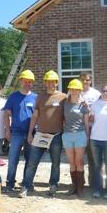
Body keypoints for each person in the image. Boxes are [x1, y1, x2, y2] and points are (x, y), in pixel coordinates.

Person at [21, 70, 66, 198]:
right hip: (40, 135)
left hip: (56, 136)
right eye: (48, 81)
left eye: (53, 82)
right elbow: (35, 115)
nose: (51, 84)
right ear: (45, 83)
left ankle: (53, 185)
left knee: (55, 162)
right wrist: (30, 133)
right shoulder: (40, 97)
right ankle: (26, 186)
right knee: (32, 162)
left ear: (57, 83)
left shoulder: (63, 97)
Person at [2, 70, 37, 193]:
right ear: (20, 81)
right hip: (16, 133)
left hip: (31, 134)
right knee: (13, 159)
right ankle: (10, 184)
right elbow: (6, 114)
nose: (28, 83)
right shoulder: (13, 97)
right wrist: (7, 131)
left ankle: (27, 184)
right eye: (25, 81)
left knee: (30, 159)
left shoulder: (35, 98)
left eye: (30, 81)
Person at [89, 84, 107, 199]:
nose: (105, 93)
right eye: (104, 91)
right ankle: (97, 189)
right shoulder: (95, 104)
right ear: (100, 92)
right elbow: (91, 119)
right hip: (95, 138)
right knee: (97, 166)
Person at [62, 79, 90, 198]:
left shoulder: (83, 104)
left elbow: (86, 121)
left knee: (79, 161)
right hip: (67, 135)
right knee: (71, 162)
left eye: (76, 89)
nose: (74, 91)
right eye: (72, 89)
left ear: (80, 91)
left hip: (80, 134)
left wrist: (87, 136)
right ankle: (74, 186)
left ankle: (80, 188)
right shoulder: (65, 103)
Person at [78, 72, 101, 186]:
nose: (85, 82)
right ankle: (79, 182)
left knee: (92, 157)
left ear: (90, 81)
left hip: (92, 129)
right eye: (82, 79)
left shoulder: (96, 93)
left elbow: (101, 108)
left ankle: (93, 182)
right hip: (78, 128)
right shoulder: (74, 91)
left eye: (87, 80)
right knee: (79, 157)